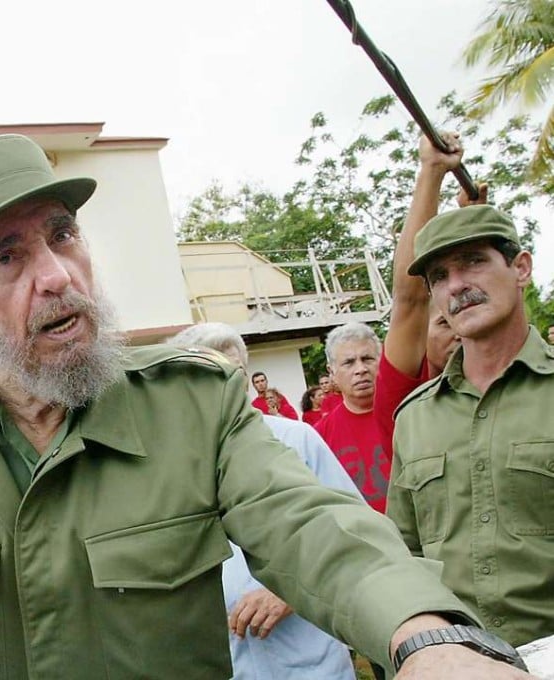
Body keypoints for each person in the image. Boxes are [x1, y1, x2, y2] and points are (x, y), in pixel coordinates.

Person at [0, 134, 531, 679]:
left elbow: (316, 532)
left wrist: (427, 638)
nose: (56, 275)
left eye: (61, 235)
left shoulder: (194, 405)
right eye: (5, 257)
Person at [389, 203, 554, 650]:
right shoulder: (415, 417)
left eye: (473, 262)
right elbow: (403, 555)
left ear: (521, 268)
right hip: (456, 657)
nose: (457, 285)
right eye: (439, 276)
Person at [168, 322, 359, 680]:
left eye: (235, 373)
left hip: (309, 660)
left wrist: (292, 592)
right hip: (225, 661)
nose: (226, 386)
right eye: (210, 374)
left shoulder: (297, 439)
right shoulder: (169, 464)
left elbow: (352, 532)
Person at [374, 132, 482, 460]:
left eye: (461, 315)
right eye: (444, 322)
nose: (458, 330)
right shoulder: (406, 398)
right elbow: (410, 297)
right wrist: (432, 171)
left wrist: (473, 224)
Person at [314, 322, 390, 513]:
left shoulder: (407, 415)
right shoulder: (319, 437)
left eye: (367, 359)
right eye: (349, 362)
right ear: (332, 372)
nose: (361, 369)